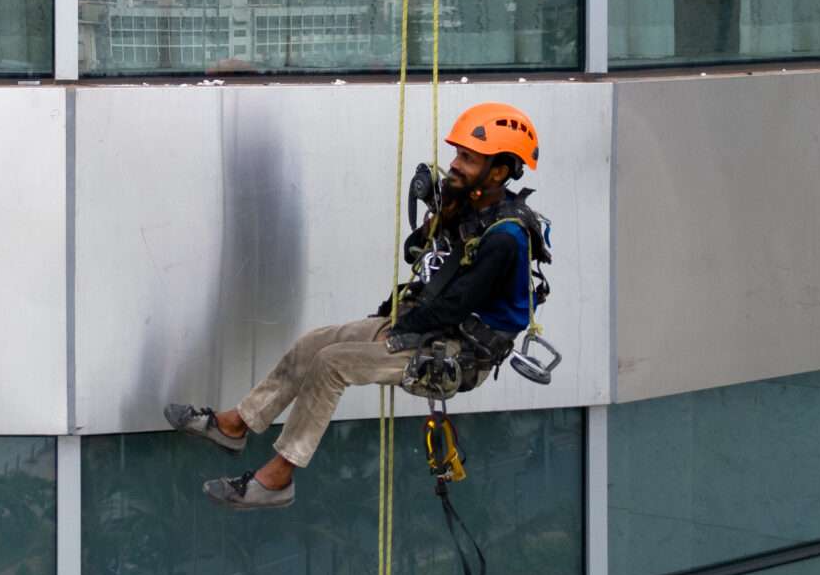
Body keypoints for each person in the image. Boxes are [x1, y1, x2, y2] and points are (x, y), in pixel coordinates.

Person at [161, 102, 552, 510]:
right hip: (430, 327)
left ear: (500, 171)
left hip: (457, 353)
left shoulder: (506, 237)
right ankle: (235, 424)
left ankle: (278, 478)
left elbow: (455, 306)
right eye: (457, 154)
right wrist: (440, 213)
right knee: (315, 343)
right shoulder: (474, 206)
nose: (454, 164)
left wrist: (396, 332)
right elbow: (418, 253)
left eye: (467, 159)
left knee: (333, 363)